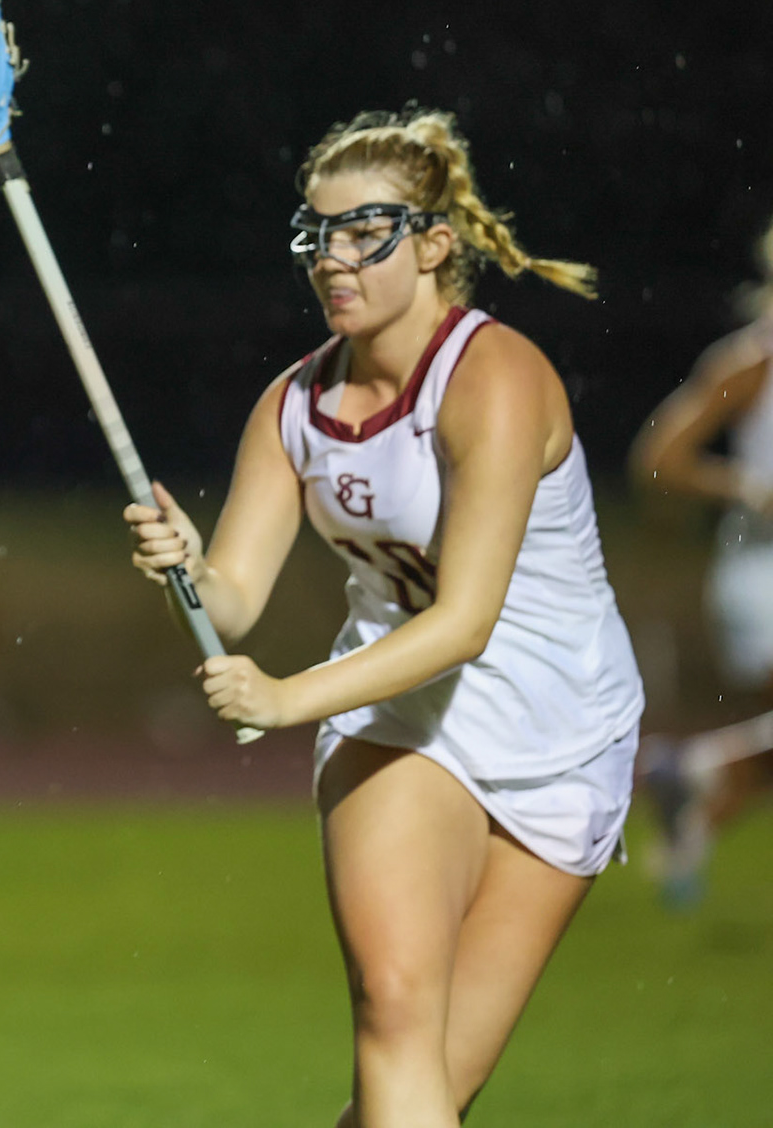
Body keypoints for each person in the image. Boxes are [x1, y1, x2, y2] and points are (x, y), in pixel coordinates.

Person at [126, 108, 644, 1128]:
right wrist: (186, 568)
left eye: (365, 230)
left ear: (436, 243)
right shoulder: (291, 404)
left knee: (424, 1087)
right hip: (395, 713)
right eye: (316, 233)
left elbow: (464, 623)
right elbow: (232, 598)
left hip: (563, 727)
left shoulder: (495, 378)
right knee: (396, 1013)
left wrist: (282, 697)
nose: (334, 256)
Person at [629, 218, 773, 907]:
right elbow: (659, 460)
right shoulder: (753, 360)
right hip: (763, 569)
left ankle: (693, 783)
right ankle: (697, 773)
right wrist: (748, 488)